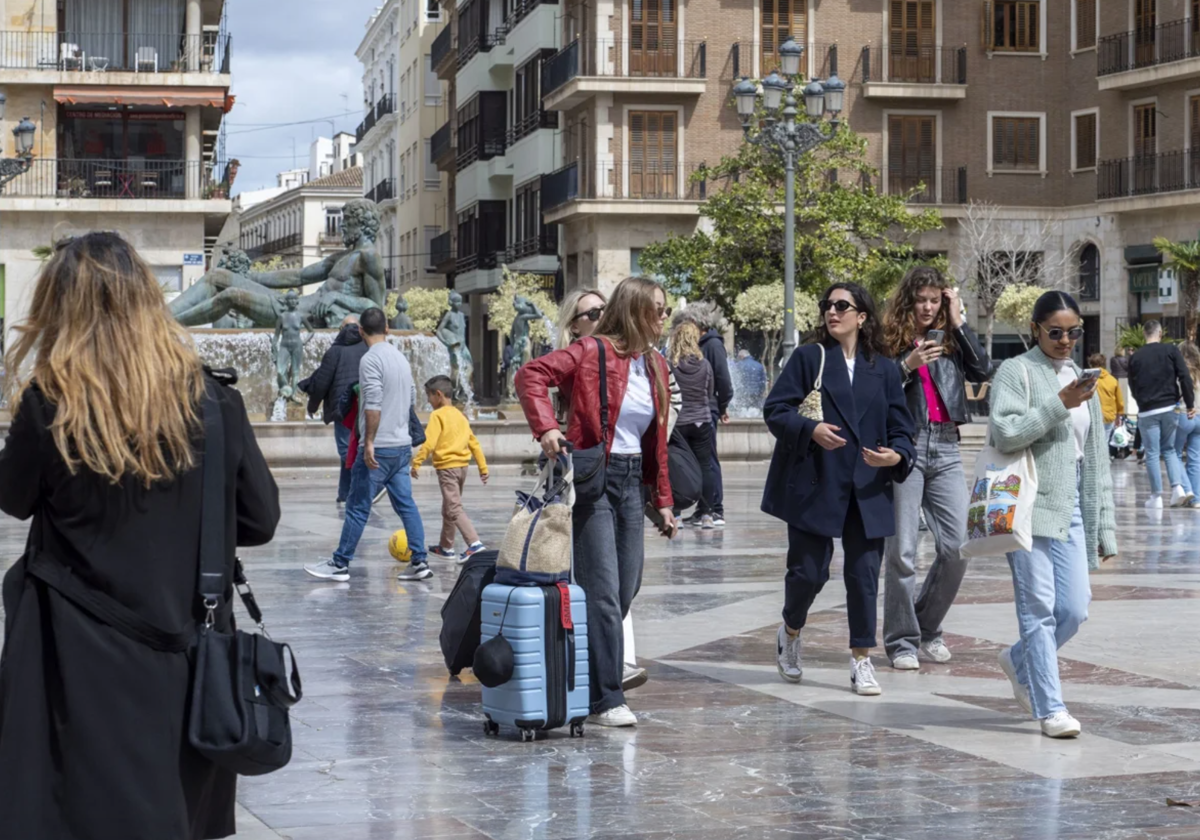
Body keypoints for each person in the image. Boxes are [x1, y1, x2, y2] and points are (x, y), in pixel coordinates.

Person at [0, 232, 280, 839]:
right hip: (185, 659)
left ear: (60, 308)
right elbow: (260, 521)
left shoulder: (51, 401)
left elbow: (13, 498)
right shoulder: (214, 400)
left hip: (71, 664)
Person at [516, 276, 677, 728]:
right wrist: (547, 426)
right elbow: (531, 374)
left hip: (631, 483)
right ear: (635, 309)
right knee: (603, 592)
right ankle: (607, 699)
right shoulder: (592, 351)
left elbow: (657, 441)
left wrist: (662, 500)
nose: (664, 317)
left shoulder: (655, 366)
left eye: (665, 310)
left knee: (626, 587)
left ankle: (589, 675)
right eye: (658, 309)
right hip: (594, 481)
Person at [762, 282, 916, 696]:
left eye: (842, 306)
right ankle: (791, 630)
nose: (832, 312)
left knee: (864, 576)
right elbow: (774, 410)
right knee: (807, 573)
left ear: (862, 317)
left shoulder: (883, 369)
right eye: (827, 305)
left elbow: (902, 427)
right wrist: (810, 429)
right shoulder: (809, 357)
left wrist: (897, 456)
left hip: (867, 487)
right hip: (817, 483)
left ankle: (862, 659)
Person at [989, 291, 1117, 738]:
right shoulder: (1015, 371)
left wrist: (1105, 526)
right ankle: (1050, 708)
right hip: (1028, 505)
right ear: (1035, 330)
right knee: (1039, 609)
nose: (1066, 340)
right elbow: (1005, 434)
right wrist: (1058, 403)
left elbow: (1095, 458)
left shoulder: (1085, 380)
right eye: (1056, 332)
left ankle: (1018, 659)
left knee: (1074, 609)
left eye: (1074, 331)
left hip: (1071, 509)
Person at [880, 267, 991, 671]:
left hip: (945, 445)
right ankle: (901, 641)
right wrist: (906, 364)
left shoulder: (952, 342)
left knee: (959, 546)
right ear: (908, 301)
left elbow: (983, 371)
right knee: (903, 552)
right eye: (921, 299)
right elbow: (874, 387)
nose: (927, 307)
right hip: (905, 447)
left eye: (934, 300)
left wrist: (959, 321)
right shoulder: (888, 340)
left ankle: (926, 625)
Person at [305, 307, 429, 583]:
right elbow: (410, 399)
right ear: (387, 328)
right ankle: (420, 560)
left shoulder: (370, 359)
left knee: (357, 506)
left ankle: (340, 563)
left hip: (379, 447)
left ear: (361, 331)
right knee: (406, 504)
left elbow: (372, 404)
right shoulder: (401, 358)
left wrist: (369, 441)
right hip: (400, 447)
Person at [412, 375, 489, 562]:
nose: (428, 401)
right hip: (462, 467)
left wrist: (417, 462)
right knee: (449, 506)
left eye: (429, 396)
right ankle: (446, 546)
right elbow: (474, 443)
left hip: (447, 468)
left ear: (438, 395)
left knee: (453, 508)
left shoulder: (437, 415)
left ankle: (474, 543)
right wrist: (482, 467)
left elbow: (429, 442)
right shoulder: (460, 416)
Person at [300, 314, 368, 505]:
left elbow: (322, 383)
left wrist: (312, 405)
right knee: (358, 448)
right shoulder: (368, 347)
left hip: (343, 407)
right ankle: (345, 492)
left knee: (347, 450)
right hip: (366, 405)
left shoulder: (334, 351)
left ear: (341, 329)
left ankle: (362, 488)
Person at [674, 303, 732, 526]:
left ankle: (714, 508)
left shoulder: (713, 346)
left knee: (704, 462)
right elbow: (711, 386)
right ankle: (705, 510)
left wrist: (723, 406)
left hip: (692, 415)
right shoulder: (704, 359)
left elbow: (724, 381)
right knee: (705, 462)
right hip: (702, 415)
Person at [1129, 320, 1196, 509]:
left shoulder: (1135, 357)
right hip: (1170, 408)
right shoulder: (1171, 350)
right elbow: (1184, 377)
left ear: (1144, 334)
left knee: (1152, 452)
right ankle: (1178, 490)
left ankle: (1156, 497)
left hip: (1148, 410)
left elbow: (1132, 386)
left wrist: (1140, 401)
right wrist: (1190, 404)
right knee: (1169, 450)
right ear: (1160, 333)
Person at [668, 321, 718, 528]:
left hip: (678, 423)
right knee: (706, 466)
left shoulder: (671, 364)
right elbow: (710, 391)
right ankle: (707, 514)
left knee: (677, 466)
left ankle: (677, 514)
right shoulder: (705, 364)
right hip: (701, 421)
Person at [1174, 343, 1200, 511]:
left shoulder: (1179, 373)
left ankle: (1187, 490)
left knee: (1173, 453)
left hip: (1183, 414)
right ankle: (1196, 499)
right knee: (1195, 459)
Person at [1088, 353, 1124, 440]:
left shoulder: (1087, 379)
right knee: (1105, 442)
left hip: (1091, 416)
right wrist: (1118, 416)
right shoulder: (1112, 380)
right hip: (1108, 416)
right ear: (1104, 364)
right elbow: (1119, 401)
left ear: (1091, 364)